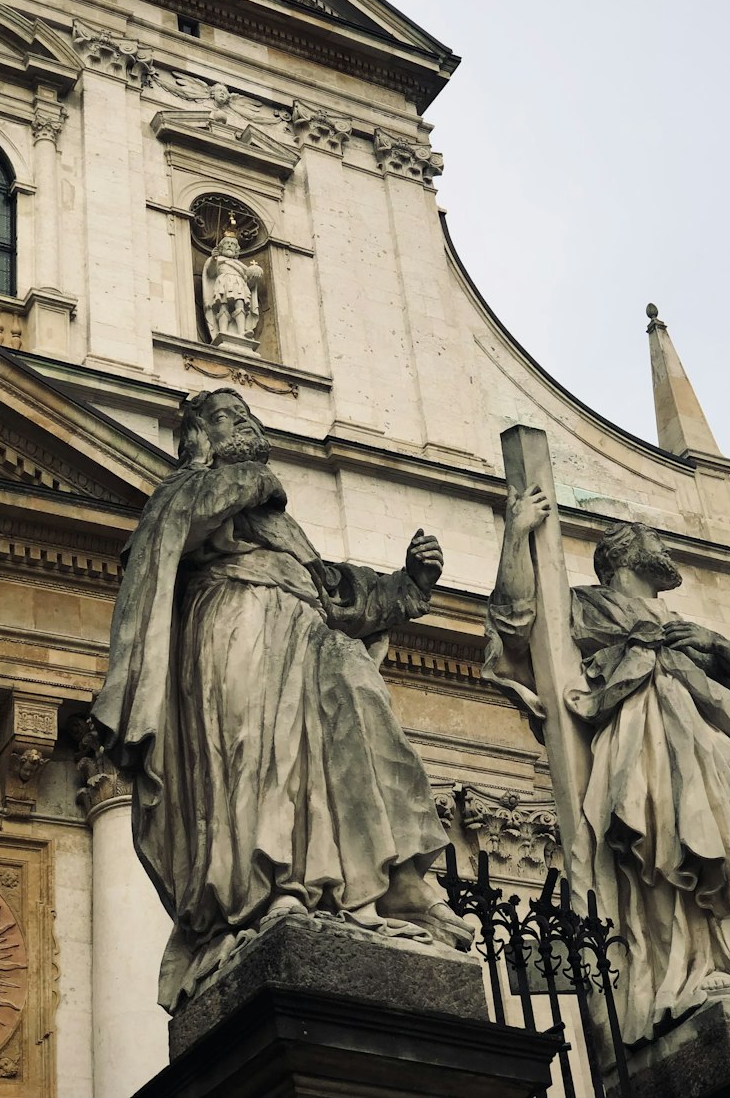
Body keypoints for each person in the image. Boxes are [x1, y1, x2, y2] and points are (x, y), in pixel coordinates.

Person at [93, 388, 468, 1011]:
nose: (239, 421)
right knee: (252, 755)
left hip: (307, 633)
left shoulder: (280, 521)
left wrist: (408, 583)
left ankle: (395, 880)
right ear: (198, 439)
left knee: (369, 732)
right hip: (233, 621)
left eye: (244, 414)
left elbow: (335, 588)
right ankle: (267, 889)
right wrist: (246, 480)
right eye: (222, 416)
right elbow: (172, 535)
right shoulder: (191, 490)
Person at [484, 494, 730, 1045]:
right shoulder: (586, 606)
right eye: (655, 538)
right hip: (643, 734)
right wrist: (518, 533)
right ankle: (692, 968)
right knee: (668, 843)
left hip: (706, 734)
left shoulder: (681, 623)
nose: (667, 546)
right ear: (627, 555)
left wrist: (714, 642)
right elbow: (515, 623)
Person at [201, 232, 264, 342]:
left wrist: (255, 276)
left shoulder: (240, 265)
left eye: (232, 244)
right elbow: (210, 273)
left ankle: (241, 332)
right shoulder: (217, 259)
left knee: (240, 303)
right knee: (223, 305)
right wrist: (214, 259)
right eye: (227, 243)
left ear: (236, 249)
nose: (229, 245)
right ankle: (223, 331)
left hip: (238, 284)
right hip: (223, 283)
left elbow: (248, 282)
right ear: (221, 247)